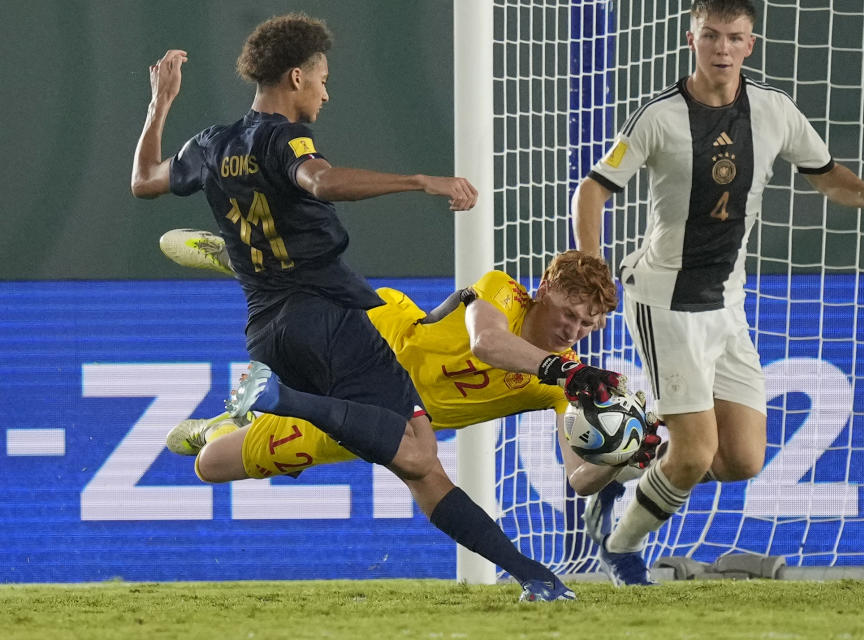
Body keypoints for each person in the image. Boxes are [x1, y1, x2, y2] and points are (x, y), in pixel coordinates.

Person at [130, 13, 625, 601]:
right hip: (329, 319)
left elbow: (144, 182)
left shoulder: (211, 143)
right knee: (421, 458)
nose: (325, 90)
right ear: (295, 77)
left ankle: (536, 579)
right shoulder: (286, 137)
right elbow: (320, 182)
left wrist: (160, 103)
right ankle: (275, 397)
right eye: (320, 80)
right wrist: (419, 180)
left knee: (413, 465)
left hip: (268, 328)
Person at [570, 0, 864, 586]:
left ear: (750, 45)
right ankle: (620, 548)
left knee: (741, 460)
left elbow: (826, 174)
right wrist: (592, 270)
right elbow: (591, 192)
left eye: (734, 38)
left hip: (726, 304)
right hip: (664, 301)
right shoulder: (658, 116)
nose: (722, 48)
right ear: (691, 39)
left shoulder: (774, 112)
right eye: (711, 36)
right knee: (695, 454)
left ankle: (635, 446)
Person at [161, 242, 657, 502]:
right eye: (569, 314)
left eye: (587, 325)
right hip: (380, 336)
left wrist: (625, 456)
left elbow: (578, 480)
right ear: (545, 287)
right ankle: (246, 260)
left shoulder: (562, 386)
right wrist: (563, 373)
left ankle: (217, 428)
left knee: (211, 466)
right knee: (300, 302)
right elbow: (488, 344)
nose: (574, 331)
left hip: (379, 418)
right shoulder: (503, 292)